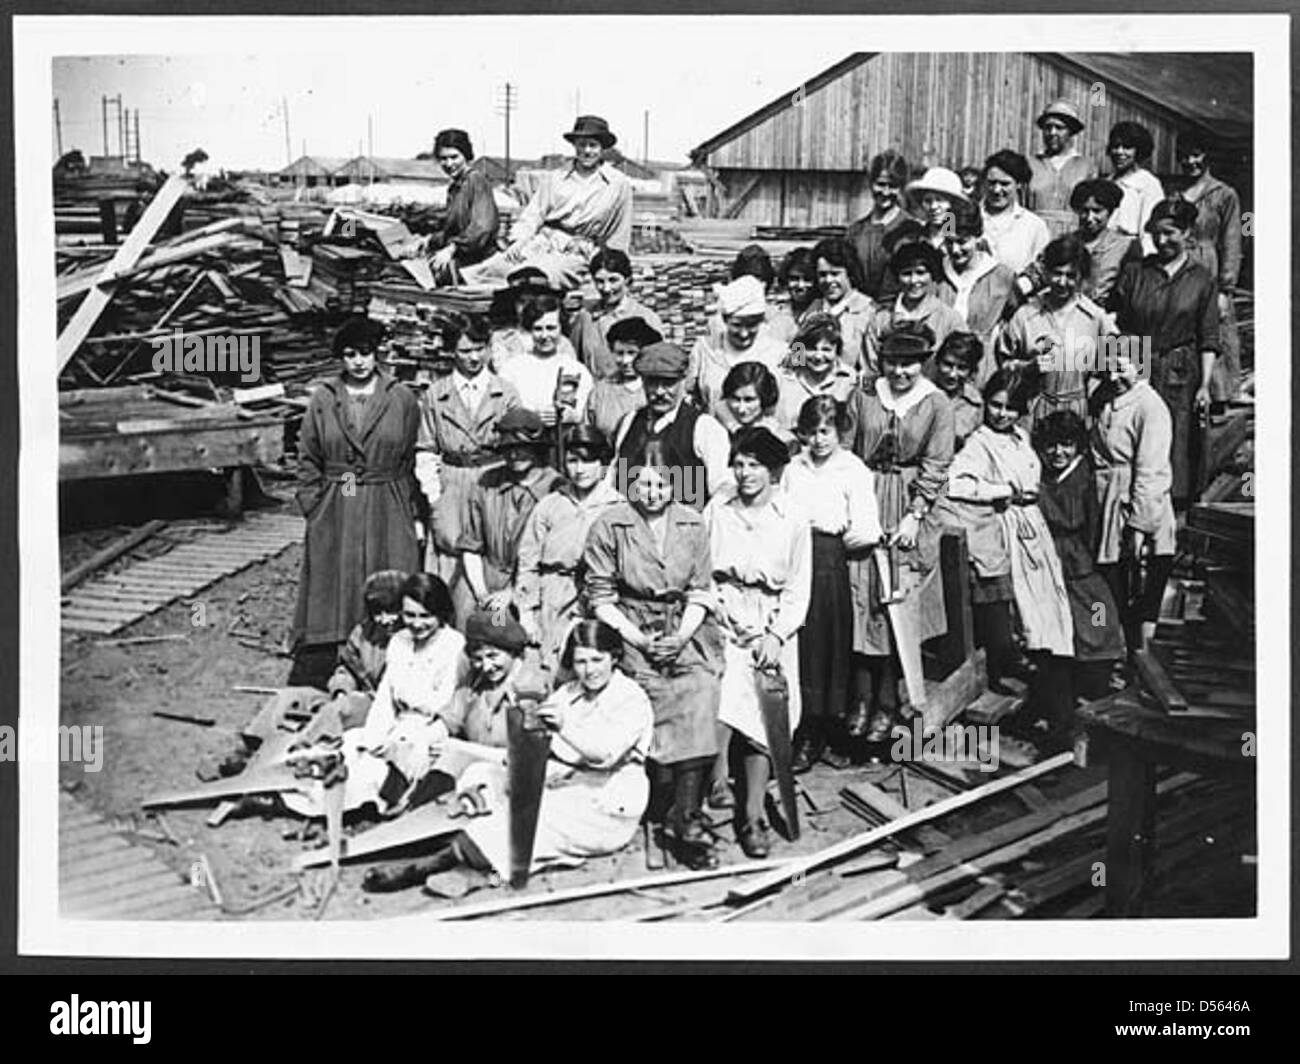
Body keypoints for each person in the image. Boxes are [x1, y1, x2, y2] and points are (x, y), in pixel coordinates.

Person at [365, 620, 654, 896]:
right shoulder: (569, 692)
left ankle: (439, 865)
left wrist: (563, 726)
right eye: (581, 661)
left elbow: (604, 755)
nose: (589, 670)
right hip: (563, 781)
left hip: (606, 804)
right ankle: (465, 855)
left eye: (597, 660)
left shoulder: (631, 698)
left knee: (532, 817)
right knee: (482, 776)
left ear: (614, 657)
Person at [583, 461, 725, 869]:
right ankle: (660, 808)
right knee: (648, 695)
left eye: (661, 482)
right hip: (631, 628)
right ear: (631, 484)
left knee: (700, 690)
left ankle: (685, 813)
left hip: (684, 629)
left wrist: (681, 636)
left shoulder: (692, 523)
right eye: (643, 482)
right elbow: (601, 599)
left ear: (675, 484)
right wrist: (641, 640)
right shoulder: (611, 525)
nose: (652, 491)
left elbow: (700, 590)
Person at [932, 370, 1074, 714]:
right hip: (1001, 524)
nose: (1001, 414)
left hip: (1030, 524)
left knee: (1043, 599)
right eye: (995, 405)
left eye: (1011, 408)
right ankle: (1007, 665)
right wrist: (1002, 490)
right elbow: (957, 484)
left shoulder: (1020, 437)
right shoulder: (979, 442)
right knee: (1013, 602)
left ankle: (1045, 670)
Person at [290, 315, 422, 686]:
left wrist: (412, 509)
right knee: (339, 569)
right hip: (343, 488)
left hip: (387, 493)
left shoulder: (400, 397)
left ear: (376, 353)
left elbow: (412, 453)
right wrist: (314, 508)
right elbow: (308, 457)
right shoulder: (324, 399)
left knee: (389, 565)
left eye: (365, 352)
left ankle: (390, 651)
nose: (359, 362)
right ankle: (336, 650)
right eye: (350, 354)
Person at [705, 427, 811, 856]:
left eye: (755, 465)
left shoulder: (792, 518)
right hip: (723, 615)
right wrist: (717, 613)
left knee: (769, 703)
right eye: (739, 464)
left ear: (775, 470)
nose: (745, 473)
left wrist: (776, 634)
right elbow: (702, 571)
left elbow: (799, 590)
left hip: (770, 623)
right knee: (721, 687)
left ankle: (753, 813)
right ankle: (714, 783)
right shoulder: (719, 508)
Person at [848, 326, 955, 742]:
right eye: (892, 362)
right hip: (866, 495)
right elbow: (847, 447)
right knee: (862, 599)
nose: (899, 371)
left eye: (908, 363)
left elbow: (937, 464)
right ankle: (860, 699)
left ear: (922, 362)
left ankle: (891, 703)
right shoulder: (865, 394)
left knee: (898, 603)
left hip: (909, 505)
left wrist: (915, 514)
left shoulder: (935, 403)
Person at [296, 573, 467, 821]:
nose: (417, 624)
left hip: (431, 733)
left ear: (440, 613)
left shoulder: (453, 645)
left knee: (378, 771)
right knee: (354, 745)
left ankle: (370, 805)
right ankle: (308, 800)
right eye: (410, 615)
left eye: (425, 616)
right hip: (398, 724)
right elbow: (385, 698)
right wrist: (375, 736)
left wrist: (419, 739)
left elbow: (449, 707)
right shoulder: (399, 642)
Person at [782, 397, 882, 770]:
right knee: (801, 644)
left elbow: (867, 529)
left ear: (840, 431)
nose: (818, 441)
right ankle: (802, 725)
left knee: (826, 644)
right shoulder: (794, 467)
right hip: (795, 555)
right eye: (810, 433)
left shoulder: (852, 469)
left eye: (826, 431)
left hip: (830, 559)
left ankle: (822, 727)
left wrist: (833, 544)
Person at [1107, 197, 1220, 507]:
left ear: (1187, 234)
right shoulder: (1134, 272)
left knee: (1176, 440)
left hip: (1179, 368)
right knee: (1132, 432)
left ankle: (1172, 512)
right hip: (1137, 360)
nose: (1162, 240)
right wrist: (1117, 369)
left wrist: (1205, 385)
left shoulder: (1201, 279)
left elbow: (1208, 337)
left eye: (1170, 232)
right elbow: (1115, 321)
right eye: (1156, 232)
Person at [415, 311, 521, 612]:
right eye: (465, 351)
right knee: (450, 549)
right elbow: (425, 449)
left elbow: (519, 448)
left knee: (491, 550)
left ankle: (489, 626)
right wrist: (435, 495)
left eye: (479, 349)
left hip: (493, 478)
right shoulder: (437, 395)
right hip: (453, 479)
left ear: (489, 348)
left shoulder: (506, 393)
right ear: (452, 352)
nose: (473, 357)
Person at [1034, 410, 1127, 727]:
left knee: (1099, 622)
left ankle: (1100, 700)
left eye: (1066, 445)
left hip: (1084, 567)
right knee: (1061, 634)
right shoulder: (1042, 476)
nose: (1058, 453)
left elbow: (1093, 526)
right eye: (1051, 446)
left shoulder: (1086, 478)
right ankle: (1062, 709)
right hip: (1052, 564)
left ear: (1077, 446)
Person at [461, 115, 632, 287]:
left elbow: (620, 231)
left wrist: (614, 265)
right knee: (494, 268)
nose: (587, 151)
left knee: (538, 275)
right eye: (582, 145)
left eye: (593, 145)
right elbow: (533, 214)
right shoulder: (555, 178)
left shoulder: (618, 184)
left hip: (578, 252)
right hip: (542, 243)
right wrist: (519, 241)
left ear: (602, 148)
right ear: (574, 146)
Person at [1089, 344, 1177, 659]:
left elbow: (1152, 470)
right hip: (1108, 498)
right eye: (1109, 367)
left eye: (1122, 367)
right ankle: (1117, 653)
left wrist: (1139, 524)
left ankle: (1141, 660)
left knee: (1141, 590)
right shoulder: (1105, 398)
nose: (1114, 375)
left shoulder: (1150, 406)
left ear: (1140, 366)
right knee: (1113, 587)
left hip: (1138, 502)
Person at [515, 425, 624, 678]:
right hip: (552, 592)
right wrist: (526, 611)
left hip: (597, 595)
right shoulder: (550, 505)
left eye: (588, 461)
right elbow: (528, 561)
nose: (580, 469)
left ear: (603, 464)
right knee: (546, 665)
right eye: (573, 461)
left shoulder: (617, 507)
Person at [998, 233, 1114, 428]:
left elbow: (1134, 366)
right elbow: (1001, 366)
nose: (1061, 282)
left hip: (1078, 414)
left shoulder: (1096, 317)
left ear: (1082, 277)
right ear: (1045, 272)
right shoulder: (1026, 315)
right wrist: (1027, 368)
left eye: (1070, 276)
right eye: (1056, 273)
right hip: (1032, 412)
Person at [459, 408, 563, 624]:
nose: (514, 455)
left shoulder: (556, 489)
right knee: (476, 627)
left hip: (535, 585)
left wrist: (513, 593)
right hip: (486, 581)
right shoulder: (487, 482)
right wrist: (481, 593)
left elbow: (554, 560)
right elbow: (471, 546)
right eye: (508, 449)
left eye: (522, 448)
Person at [612, 340, 733, 508]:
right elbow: (614, 478)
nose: (660, 392)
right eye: (652, 383)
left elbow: (721, 489)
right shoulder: (629, 421)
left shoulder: (704, 427)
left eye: (668, 383)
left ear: (683, 381)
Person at [1175, 131, 1244, 403]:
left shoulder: (1224, 194)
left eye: (1196, 155)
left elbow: (1232, 241)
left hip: (1208, 264)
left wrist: (1226, 288)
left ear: (1206, 156)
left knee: (1215, 326)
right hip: (1181, 263)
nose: (1190, 161)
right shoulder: (1176, 194)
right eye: (1185, 156)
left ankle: (1221, 394)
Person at [936, 200, 1018, 384]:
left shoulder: (1001, 276)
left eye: (962, 242)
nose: (955, 250)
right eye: (949, 242)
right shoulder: (937, 272)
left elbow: (1017, 320)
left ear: (978, 237)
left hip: (981, 366)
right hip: (941, 365)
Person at [689, 275, 788, 420]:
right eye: (736, 325)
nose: (744, 333)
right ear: (724, 320)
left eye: (751, 325)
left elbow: (800, 384)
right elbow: (689, 395)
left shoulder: (782, 350)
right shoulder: (703, 348)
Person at [864, 241, 963, 383]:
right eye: (906, 274)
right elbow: (870, 369)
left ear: (932, 274)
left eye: (921, 273)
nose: (913, 280)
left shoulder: (950, 319)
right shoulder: (881, 318)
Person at [496, 293, 594, 428]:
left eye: (551, 328)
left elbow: (585, 412)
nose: (544, 336)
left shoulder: (576, 369)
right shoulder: (512, 369)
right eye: (538, 329)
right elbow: (502, 411)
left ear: (561, 328)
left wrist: (567, 415)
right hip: (523, 442)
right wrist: (530, 416)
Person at [569, 248, 665, 381]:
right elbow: (574, 362)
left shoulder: (647, 318)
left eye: (613, 280)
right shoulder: (586, 318)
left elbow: (658, 366)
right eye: (600, 281)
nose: (606, 288)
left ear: (627, 280)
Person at [425, 129, 500, 283]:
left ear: (466, 155)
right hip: (461, 255)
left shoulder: (476, 181)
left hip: (479, 260)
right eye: (443, 159)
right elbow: (454, 229)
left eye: (454, 157)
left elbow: (482, 227)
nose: (449, 164)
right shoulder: (455, 187)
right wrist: (428, 241)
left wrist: (452, 249)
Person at [846, 149, 913, 300]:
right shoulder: (855, 232)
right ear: (870, 183)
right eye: (881, 184)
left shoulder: (911, 229)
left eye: (893, 185)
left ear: (901, 187)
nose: (886, 192)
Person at [803, 237, 876, 373]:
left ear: (849, 274)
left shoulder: (867, 311)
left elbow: (870, 369)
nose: (829, 280)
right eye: (823, 275)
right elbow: (796, 358)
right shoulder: (813, 309)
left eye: (835, 274)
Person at [1025, 100, 1098, 237]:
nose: (1052, 132)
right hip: (1034, 233)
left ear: (1071, 131)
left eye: (1059, 127)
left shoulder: (1086, 166)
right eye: (1048, 127)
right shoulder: (1031, 164)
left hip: (1073, 236)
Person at [775, 313, 858, 432]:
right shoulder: (785, 377)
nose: (818, 356)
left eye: (826, 349)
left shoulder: (849, 378)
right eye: (812, 349)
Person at [1065, 178, 1142, 306]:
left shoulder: (1125, 246)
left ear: (1110, 212)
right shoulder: (1067, 242)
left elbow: (1129, 292)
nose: (1090, 218)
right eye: (1084, 211)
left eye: (1097, 211)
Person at [487, 272, 579, 375]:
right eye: (522, 301)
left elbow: (570, 372)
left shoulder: (560, 342)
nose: (527, 308)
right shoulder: (502, 339)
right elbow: (503, 373)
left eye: (533, 301)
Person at [584, 315, 657, 438]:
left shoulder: (656, 388)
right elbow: (588, 431)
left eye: (631, 353)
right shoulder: (601, 391)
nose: (625, 360)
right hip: (609, 455)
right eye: (619, 353)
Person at [981, 149, 1051, 274]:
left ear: (1018, 184)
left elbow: (1043, 268)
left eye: (1004, 184)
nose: (997, 190)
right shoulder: (962, 214)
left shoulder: (1035, 226)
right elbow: (944, 243)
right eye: (992, 183)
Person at [1106, 121, 1164, 256]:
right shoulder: (1108, 182)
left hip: (1131, 251)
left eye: (1127, 147)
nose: (1120, 152)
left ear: (1138, 150)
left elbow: (1149, 230)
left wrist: (1147, 259)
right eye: (1115, 146)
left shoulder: (1148, 184)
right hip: (1106, 250)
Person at [931, 331, 985, 451]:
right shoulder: (920, 393)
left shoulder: (974, 403)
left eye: (962, 368)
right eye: (947, 365)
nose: (952, 374)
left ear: (971, 372)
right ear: (937, 362)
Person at [906, 166, 971, 252]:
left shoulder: (964, 239)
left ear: (953, 203)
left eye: (939, 200)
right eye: (928, 200)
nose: (933, 206)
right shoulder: (914, 239)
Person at [767, 247, 819, 344]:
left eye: (807, 279)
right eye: (794, 279)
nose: (800, 285)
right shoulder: (777, 312)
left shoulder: (821, 312)